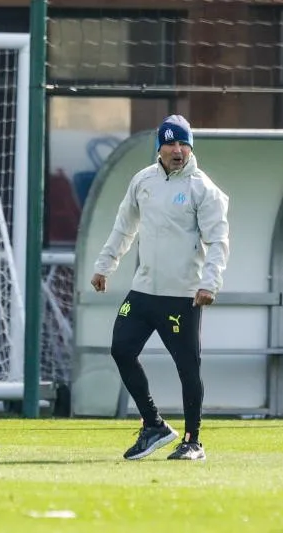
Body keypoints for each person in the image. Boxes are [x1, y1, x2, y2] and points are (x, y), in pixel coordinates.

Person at [91, 114, 230, 461]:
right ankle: (154, 425)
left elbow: (219, 241)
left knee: (187, 367)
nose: (177, 150)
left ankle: (193, 441)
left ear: (191, 147)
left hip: (182, 295)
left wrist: (209, 283)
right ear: (159, 148)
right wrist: (104, 266)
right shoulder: (143, 181)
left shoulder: (203, 188)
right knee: (121, 349)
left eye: (183, 143)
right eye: (170, 143)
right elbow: (125, 227)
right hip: (143, 291)